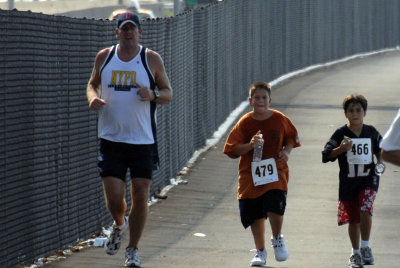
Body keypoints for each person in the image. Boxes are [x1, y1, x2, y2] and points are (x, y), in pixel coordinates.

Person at [86, 12, 172, 267]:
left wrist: (153, 94)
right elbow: (92, 83)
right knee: (114, 198)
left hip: (142, 139)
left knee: (141, 193)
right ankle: (120, 224)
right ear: (117, 33)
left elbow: (168, 93)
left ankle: (133, 249)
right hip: (111, 137)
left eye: (132, 28)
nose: (128, 32)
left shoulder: (150, 59)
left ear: (139, 32)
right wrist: (92, 98)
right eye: (124, 29)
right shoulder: (105, 57)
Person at [223, 82, 300, 267]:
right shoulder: (245, 122)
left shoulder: (280, 119)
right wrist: (250, 145)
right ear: (250, 101)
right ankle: (260, 251)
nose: (260, 101)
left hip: (275, 172)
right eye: (256, 97)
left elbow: (292, 137)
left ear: (270, 100)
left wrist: (287, 152)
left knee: (275, 205)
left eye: (264, 97)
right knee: (254, 213)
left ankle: (277, 238)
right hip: (250, 176)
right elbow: (232, 150)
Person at [322, 94, 383, 268]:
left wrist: (379, 164)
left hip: (369, 179)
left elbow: (380, 149)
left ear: (364, 113)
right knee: (354, 219)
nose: (355, 114)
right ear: (345, 114)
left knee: (366, 207)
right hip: (349, 182)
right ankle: (355, 253)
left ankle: (365, 247)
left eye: (358, 110)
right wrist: (341, 149)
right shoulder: (341, 133)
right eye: (351, 111)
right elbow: (325, 155)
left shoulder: (371, 132)